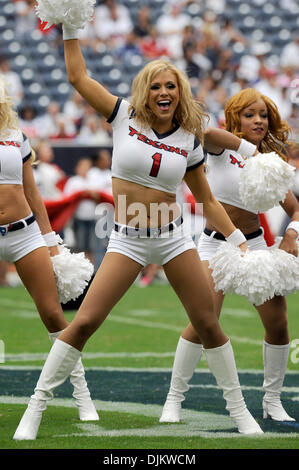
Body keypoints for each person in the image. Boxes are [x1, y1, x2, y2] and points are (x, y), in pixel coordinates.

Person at [13, 26, 264, 440]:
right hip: (127, 237)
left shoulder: (189, 138)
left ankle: (240, 413)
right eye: (155, 87)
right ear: (144, 92)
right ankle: (36, 408)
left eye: (171, 86)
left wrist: (241, 244)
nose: (163, 92)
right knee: (86, 321)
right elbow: (78, 77)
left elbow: (207, 200)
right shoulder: (122, 115)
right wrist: (72, 27)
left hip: (174, 237)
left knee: (207, 322)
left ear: (179, 93)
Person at [160, 88, 299, 424]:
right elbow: (206, 133)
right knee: (203, 321)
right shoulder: (222, 149)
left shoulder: (271, 161)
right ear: (236, 117)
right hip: (215, 244)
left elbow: (294, 208)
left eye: (263, 115)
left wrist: (292, 235)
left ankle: (272, 401)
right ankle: (174, 399)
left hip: (256, 247)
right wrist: (249, 149)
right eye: (250, 114)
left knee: (278, 324)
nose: (259, 121)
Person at [0, 74, 98, 423]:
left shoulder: (16, 138)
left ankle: (82, 393)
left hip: (24, 232)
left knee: (54, 315)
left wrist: (50, 239)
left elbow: (32, 193)